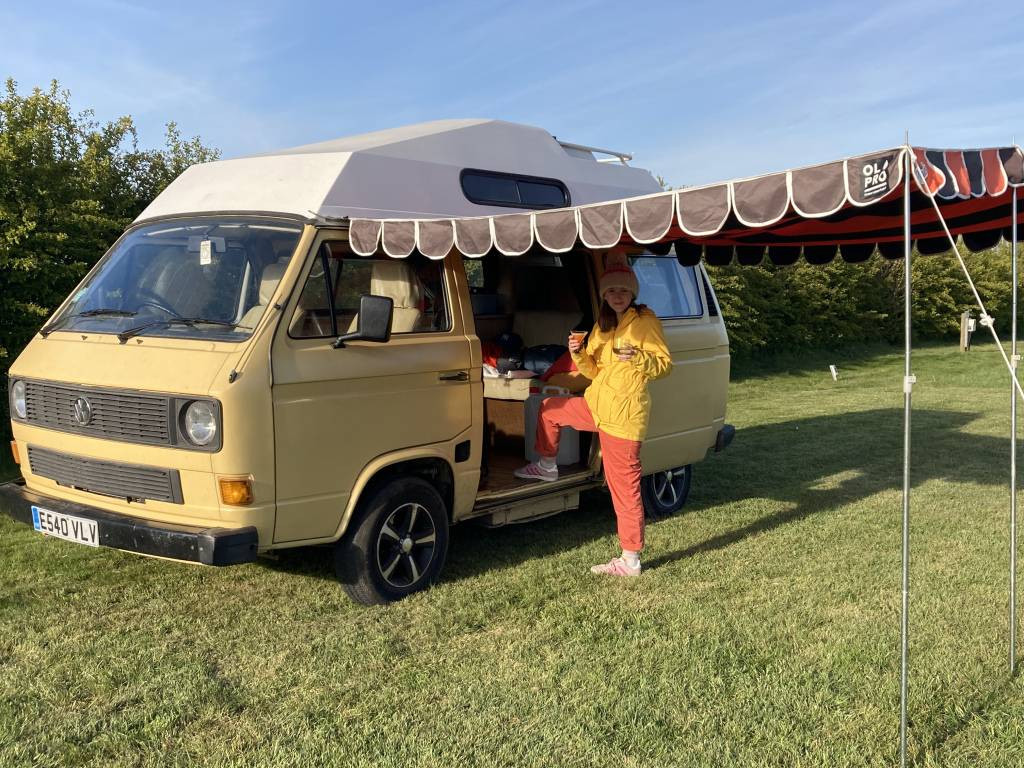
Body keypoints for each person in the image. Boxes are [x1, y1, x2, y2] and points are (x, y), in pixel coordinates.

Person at [514, 252, 672, 576]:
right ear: (603, 294)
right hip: (596, 406)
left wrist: (638, 357)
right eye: (611, 291)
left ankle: (630, 560)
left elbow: (664, 366)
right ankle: (546, 466)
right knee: (550, 409)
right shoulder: (603, 323)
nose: (617, 296)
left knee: (623, 488)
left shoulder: (645, 322)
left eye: (623, 291)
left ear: (633, 294)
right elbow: (593, 368)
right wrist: (577, 353)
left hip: (624, 418)